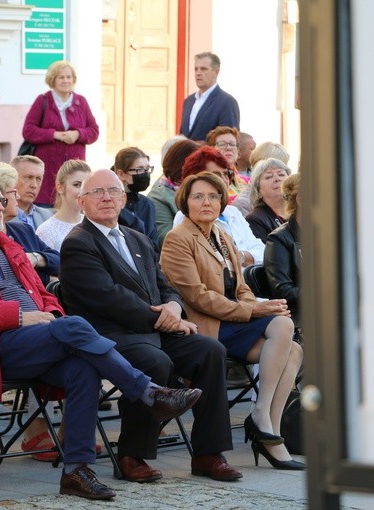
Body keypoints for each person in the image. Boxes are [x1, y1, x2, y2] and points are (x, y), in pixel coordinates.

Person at [0, 176, 202, 500]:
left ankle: (76, 471)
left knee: (81, 368)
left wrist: (52, 315)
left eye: (2, 199)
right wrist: (19, 316)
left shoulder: (8, 245)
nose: (2, 206)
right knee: (72, 327)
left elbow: (45, 295)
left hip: (37, 339)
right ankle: (149, 392)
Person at [60, 169, 243, 484]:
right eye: (97, 192)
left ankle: (208, 454)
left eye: (113, 191)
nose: (106, 198)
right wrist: (161, 317)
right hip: (109, 336)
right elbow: (108, 298)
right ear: (82, 201)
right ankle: (132, 455)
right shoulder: (78, 242)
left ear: (123, 198)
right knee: (155, 360)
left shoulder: (138, 238)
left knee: (210, 350)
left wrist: (173, 306)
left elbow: (164, 285)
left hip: (153, 329)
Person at [160, 173, 304, 471]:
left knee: (294, 348)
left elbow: (242, 287)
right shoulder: (178, 239)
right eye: (198, 196)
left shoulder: (222, 236)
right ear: (185, 202)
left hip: (233, 322)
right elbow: (198, 297)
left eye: (213, 197)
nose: (206, 202)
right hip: (205, 327)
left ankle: (270, 429)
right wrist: (253, 312)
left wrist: (253, 306)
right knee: (282, 325)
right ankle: (262, 418)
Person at [21, 60, 99, 207]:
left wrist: (78, 134)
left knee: (73, 205)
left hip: (75, 167)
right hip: (48, 167)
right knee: (47, 207)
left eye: (69, 77)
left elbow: (94, 130)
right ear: (53, 80)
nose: (66, 81)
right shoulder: (43, 100)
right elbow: (28, 130)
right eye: (61, 77)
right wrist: (54, 135)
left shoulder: (81, 101)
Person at [0, 160, 59, 286]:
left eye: (39, 178)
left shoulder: (24, 230)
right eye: (13, 192)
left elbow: (59, 261)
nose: (18, 197)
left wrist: (35, 258)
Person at [174, 145, 264, 266]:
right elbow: (207, 261)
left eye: (226, 174)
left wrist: (238, 256)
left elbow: (261, 251)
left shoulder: (232, 212)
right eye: (215, 174)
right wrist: (243, 257)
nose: (224, 180)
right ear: (195, 178)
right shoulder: (188, 215)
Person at [148, 139, 201, 248]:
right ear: (181, 166)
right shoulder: (159, 197)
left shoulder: (205, 190)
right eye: (197, 166)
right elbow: (167, 238)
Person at [265, 173, 301, 326]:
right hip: (299, 319)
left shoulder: (330, 234)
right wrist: (328, 289)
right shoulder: (279, 239)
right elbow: (283, 292)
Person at [179, 52, 240, 141]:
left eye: (203, 69)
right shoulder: (188, 101)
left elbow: (228, 141)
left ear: (216, 72)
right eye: (196, 69)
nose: (198, 73)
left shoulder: (227, 102)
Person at [36, 159, 92, 251]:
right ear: (60, 187)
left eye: (86, 186)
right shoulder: (46, 230)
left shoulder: (93, 223)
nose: (82, 191)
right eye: (77, 185)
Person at [112, 147, 160, 252]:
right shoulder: (110, 204)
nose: (145, 174)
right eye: (139, 170)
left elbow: (153, 245)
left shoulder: (147, 204)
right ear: (121, 174)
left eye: (147, 169)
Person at [233, 141, 290, 217]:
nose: (278, 178)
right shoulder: (243, 203)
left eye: (281, 173)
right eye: (269, 175)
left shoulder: (291, 196)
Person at [245, 159, 292, 241]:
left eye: (281, 174)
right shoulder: (255, 219)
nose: (277, 179)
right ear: (258, 191)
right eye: (269, 177)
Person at [9, 155, 53, 229]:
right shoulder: (2, 216)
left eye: (38, 179)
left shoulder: (47, 216)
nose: (34, 185)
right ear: (12, 179)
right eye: (28, 177)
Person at [206, 126, 246, 200]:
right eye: (222, 144)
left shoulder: (248, 183)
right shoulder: (207, 180)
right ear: (211, 149)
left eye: (233, 144)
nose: (229, 148)